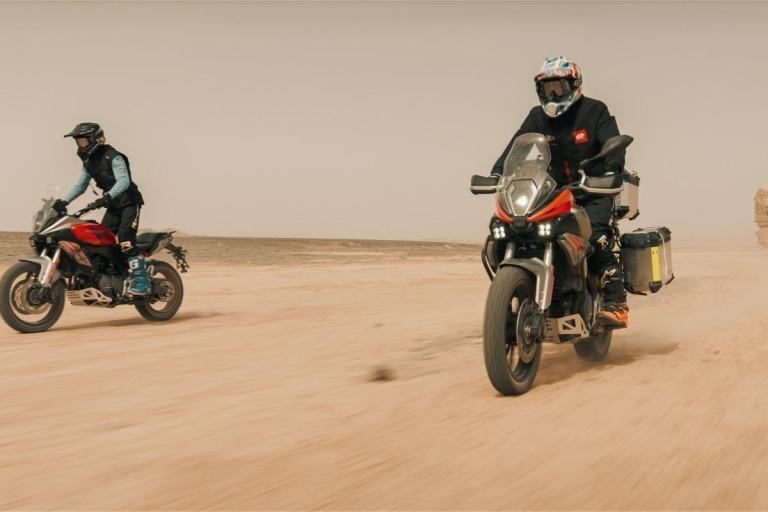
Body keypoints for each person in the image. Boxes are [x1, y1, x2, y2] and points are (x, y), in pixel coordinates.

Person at [491, 56, 629, 328]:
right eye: (547, 89)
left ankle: (616, 302)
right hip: (554, 194)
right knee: (504, 229)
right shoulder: (537, 117)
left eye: (559, 88)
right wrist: (498, 173)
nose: (553, 95)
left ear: (575, 85)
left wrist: (611, 170)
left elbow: (614, 146)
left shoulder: (595, 111)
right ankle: (518, 290)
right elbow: (516, 146)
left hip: (593, 191)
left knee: (595, 235)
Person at [53, 122, 150, 295]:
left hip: (129, 202)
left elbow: (124, 180)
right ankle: (113, 275)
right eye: (78, 142)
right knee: (100, 240)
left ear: (96, 139)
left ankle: (142, 281)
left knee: (125, 239)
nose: (80, 145)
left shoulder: (114, 157)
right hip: (113, 205)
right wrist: (64, 202)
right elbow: (81, 185)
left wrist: (107, 196)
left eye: (83, 141)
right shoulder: (88, 162)